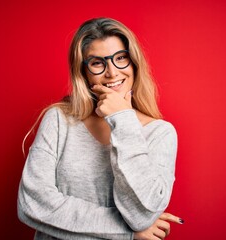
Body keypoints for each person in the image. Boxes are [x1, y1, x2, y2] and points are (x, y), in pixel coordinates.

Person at [18, 17, 183, 240]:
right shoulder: (59, 120)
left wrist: (122, 118)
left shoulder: (160, 133)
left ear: (134, 63)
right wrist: (126, 232)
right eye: (97, 63)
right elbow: (33, 203)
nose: (112, 73)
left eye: (121, 58)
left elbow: (141, 216)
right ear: (84, 73)